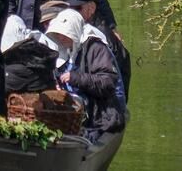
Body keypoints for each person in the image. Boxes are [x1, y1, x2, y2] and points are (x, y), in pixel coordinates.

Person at [46, 9, 127, 143]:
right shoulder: (63, 50)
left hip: (98, 118)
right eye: (58, 34)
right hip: (71, 114)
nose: (60, 38)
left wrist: (76, 78)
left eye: (64, 34)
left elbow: (108, 82)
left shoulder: (95, 48)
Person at [64, 0, 132, 98]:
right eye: (68, 9)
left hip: (105, 106)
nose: (72, 14)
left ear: (91, 9)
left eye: (77, 9)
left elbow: (113, 83)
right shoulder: (68, 32)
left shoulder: (102, 38)